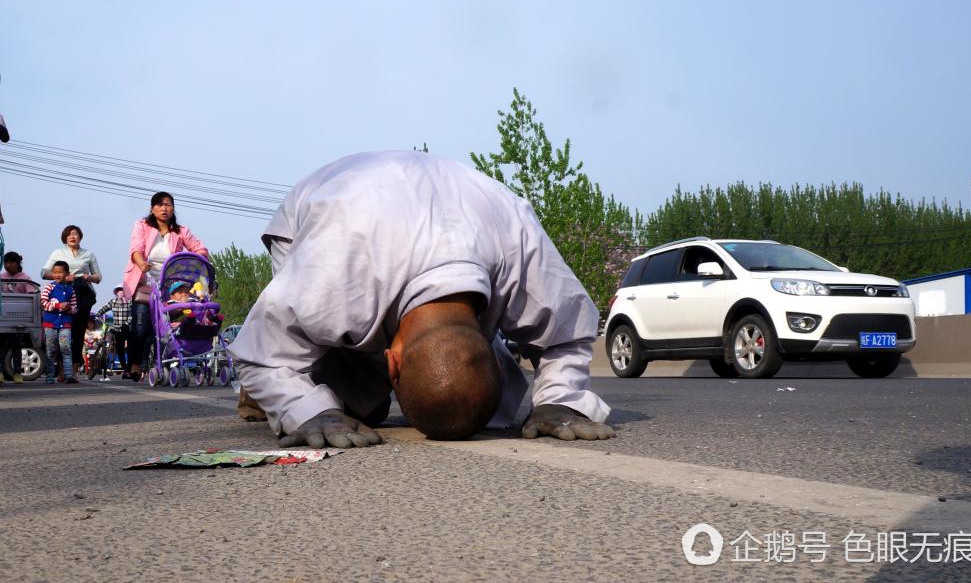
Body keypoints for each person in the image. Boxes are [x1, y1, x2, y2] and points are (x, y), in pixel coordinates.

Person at [230, 151, 614, 449]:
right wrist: (307, 411)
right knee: (356, 406)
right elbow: (257, 351)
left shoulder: (519, 247)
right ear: (391, 364)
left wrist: (558, 399)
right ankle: (274, 390)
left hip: (451, 203)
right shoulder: (334, 272)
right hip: (322, 205)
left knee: (377, 407)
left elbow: (568, 330)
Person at [122, 191, 208, 381]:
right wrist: (141, 263)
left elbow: (199, 248)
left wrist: (200, 259)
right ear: (152, 209)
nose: (164, 208)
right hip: (145, 283)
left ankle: (157, 363)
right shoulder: (142, 226)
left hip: (169, 288)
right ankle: (135, 362)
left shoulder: (180, 231)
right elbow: (135, 250)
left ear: (173, 208)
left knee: (162, 329)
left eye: (168, 204)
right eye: (160, 205)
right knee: (140, 327)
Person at [41, 225, 102, 379]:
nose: (72, 236)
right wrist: (62, 276)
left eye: (75, 234)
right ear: (65, 238)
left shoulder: (88, 254)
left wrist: (88, 277)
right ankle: (61, 369)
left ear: (80, 237)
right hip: (63, 295)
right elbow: (43, 273)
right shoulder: (58, 253)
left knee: (78, 332)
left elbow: (99, 277)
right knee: (63, 332)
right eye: (69, 234)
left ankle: (73, 370)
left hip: (83, 295)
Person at [40, 261, 78, 384]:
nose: (58, 275)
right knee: (50, 350)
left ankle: (68, 375)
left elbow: (75, 308)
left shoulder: (71, 290)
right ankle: (50, 375)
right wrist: (57, 305)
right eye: (55, 272)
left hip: (65, 325)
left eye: (60, 272)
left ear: (67, 273)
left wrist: (69, 309)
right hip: (50, 325)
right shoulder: (49, 287)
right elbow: (43, 303)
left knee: (66, 349)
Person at [1, 251, 34, 384]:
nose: (8, 265)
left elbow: (33, 292)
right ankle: (0, 373)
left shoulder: (25, 278)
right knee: (1, 347)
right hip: (3, 318)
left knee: (16, 347)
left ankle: (17, 374)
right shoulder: (1, 277)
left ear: (17, 263)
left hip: (19, 319)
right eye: (5, 262)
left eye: (11, 262)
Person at [94, 284, 131, 379]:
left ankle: (131, 369)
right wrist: (97, 315)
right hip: (117, 330)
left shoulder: (129, 302)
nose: (120, 292)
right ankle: (125, 370)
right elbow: (104, 308)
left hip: (128, 329)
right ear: (116, 292)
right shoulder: (113, 302)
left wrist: (127, 323)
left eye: (122, 290)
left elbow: (132, 315)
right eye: (118, 290)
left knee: (131, 349)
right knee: (120, 350)